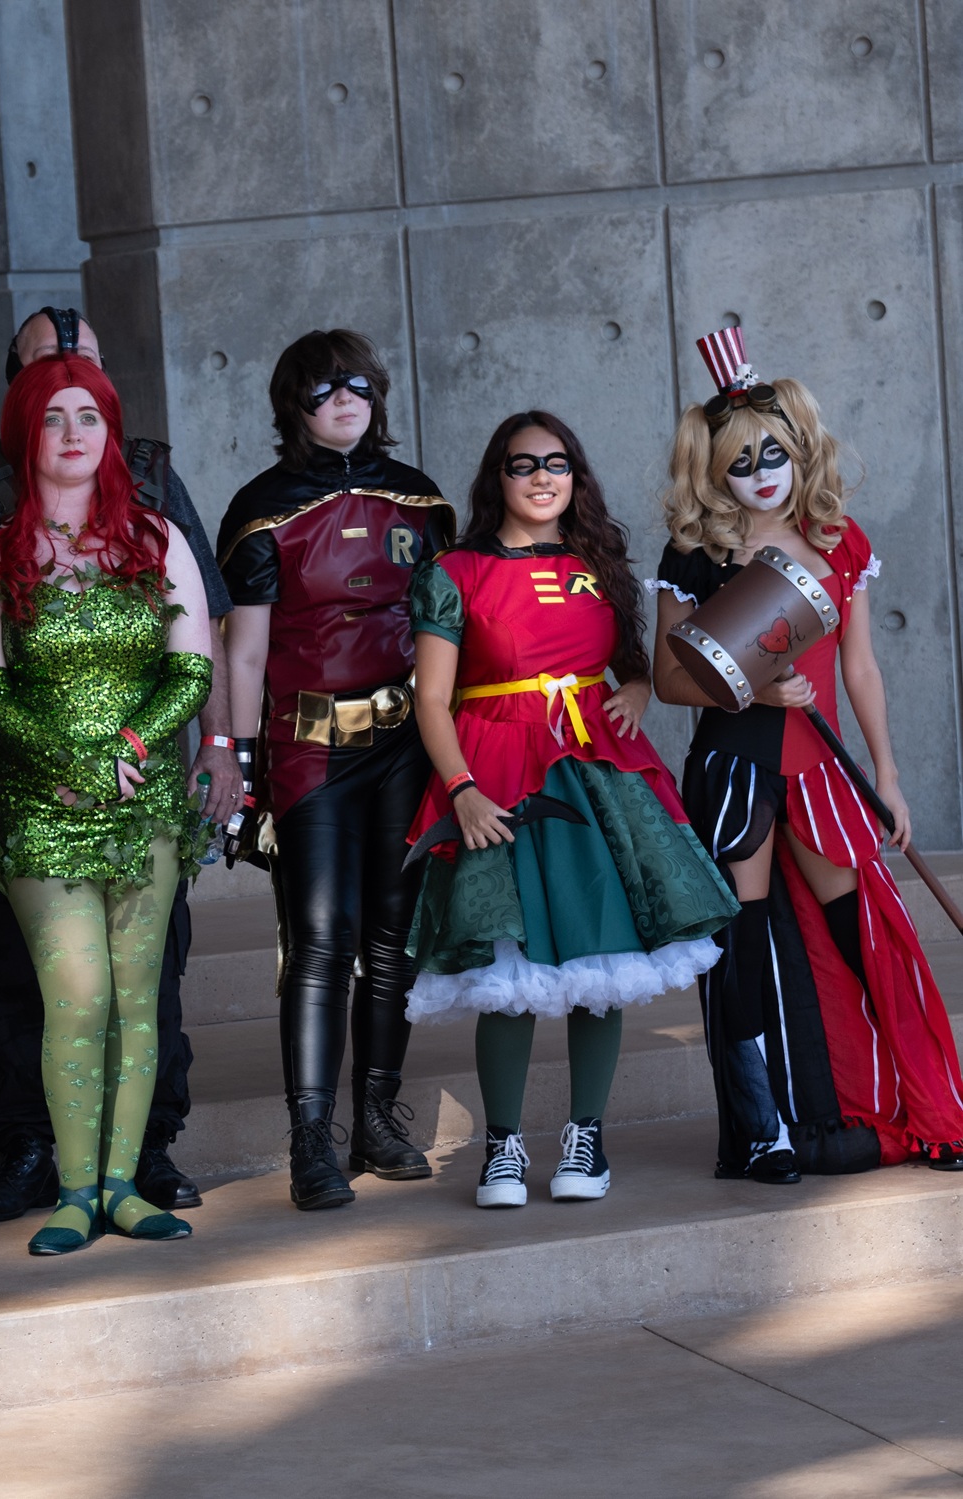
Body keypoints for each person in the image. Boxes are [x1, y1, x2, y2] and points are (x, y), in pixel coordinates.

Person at [0, 308, 234, 1224]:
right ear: (17, 397)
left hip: (143, 793)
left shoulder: (158, 502)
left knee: (146, 991)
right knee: (37, 985)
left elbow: (199, 644)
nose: (71, 421)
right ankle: (38, 1153)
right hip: (23, 789)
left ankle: (139, 1163)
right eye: (49, 398)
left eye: (85, 396)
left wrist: (207, 744)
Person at [405, 412, 736, 1209]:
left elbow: (636, 665)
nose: (543, 477)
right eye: (524, 465)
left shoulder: (601, 564)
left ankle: (586, 1135)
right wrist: (461, 790)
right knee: (507, 969)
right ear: (499, 478)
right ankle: (504, 1145)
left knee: (601, 961)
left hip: (597, 774)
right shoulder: (455, 571)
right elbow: (432, 699)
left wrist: (634, 688)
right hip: (497, 775)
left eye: (558, 463)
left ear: (576, 476)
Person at [654, 328, 959, 1175]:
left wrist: (889, 778)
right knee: (741, 947)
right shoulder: (696, 555)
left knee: (860, 934)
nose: (761, 471)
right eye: (741, 459)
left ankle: (912, 1105)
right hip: (735, 768)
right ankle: (761, 1130)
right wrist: (748, 686)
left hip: (821, 769)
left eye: (774, 452)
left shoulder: (838, 539)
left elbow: (860, 667)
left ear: (799, 449)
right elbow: (672, 684)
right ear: (713, 470)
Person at [216, 328, 452, 1211]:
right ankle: (310, 1139)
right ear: (294, 406)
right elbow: (244, 656)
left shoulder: (420, 499)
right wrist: (239, 764)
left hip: (403, 743)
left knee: (393, 942)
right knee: (318, 945)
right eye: (322, 389)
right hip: (310, 747)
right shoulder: (263, 508)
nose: (343, 398)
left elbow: (443, 633)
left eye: (356, 383)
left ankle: (377, 1119)